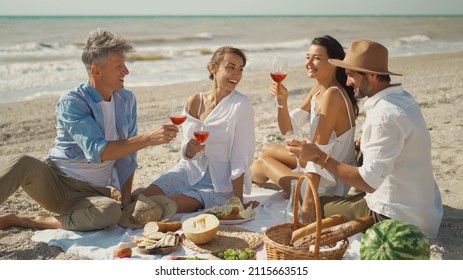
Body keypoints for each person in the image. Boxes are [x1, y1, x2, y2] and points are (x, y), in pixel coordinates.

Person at [0, 29, 178, 231]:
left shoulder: (127, 100)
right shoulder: (72, 102)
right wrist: (147, 138)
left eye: (125, 65)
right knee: (22, 162)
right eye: (119, 66)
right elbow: (98, 150)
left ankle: (32, 221)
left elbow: (127, 155)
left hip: (94, 194)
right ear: (96, 71)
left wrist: (126, 198)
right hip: (57, 184)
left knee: (111, 212)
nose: (126, 71)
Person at [287, 40, 443, 238]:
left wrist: (318, 156)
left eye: (352, 75)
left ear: (373, 75)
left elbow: (368, 182)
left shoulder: (385, 115)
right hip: (424, 210)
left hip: (394, 216)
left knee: (312, 201)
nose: (348, 81)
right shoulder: (402, 99)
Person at [138, 46, 259, 213]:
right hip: (187, 172)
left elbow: (241, 157)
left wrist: (237, 202)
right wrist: (189, 149)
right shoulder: (195, 100)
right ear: (213, 68)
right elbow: (186, 144)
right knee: (139, 201)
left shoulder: (241, 105)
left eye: (240, 69)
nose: (237, 75)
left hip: (217, 185)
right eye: (230, 67)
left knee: (156, 208)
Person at [251, 35, 359, 221]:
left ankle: (242, 181)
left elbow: (317, 153)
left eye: (316, 58)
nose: (308, 63)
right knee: (267, 149)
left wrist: (308, 204)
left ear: (334, 62)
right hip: (323, 166)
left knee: (262, 162)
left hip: (328, 185)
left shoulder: (333, 95)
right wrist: (281, 101)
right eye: (307, 57)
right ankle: (253, 178)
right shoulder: (319, 89)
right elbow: (288, 129)